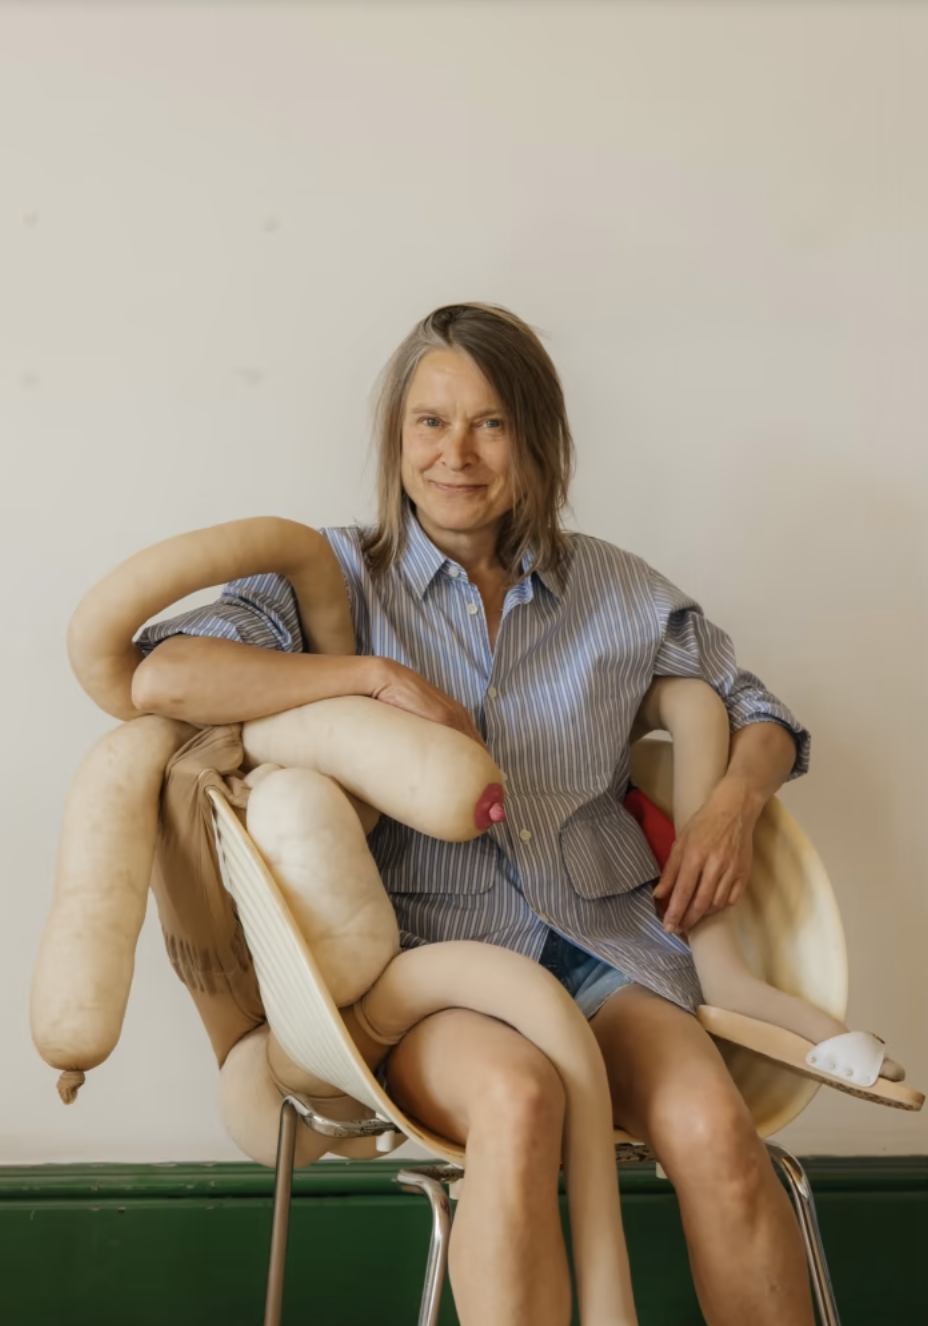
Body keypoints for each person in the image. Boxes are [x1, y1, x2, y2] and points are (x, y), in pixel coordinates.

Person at [132, 303, 816, 1326]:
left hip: (602, 948)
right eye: (431, 422)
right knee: (518, 1099)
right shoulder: (331, 578)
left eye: (490, 424)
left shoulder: (614, 590)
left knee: (717, 1130)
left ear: (537, 442)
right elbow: (163, 673)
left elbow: (761, 712)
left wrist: (731, 802)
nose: (456, 453)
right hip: (427, 971)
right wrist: (367, 676)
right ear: (396, 438)